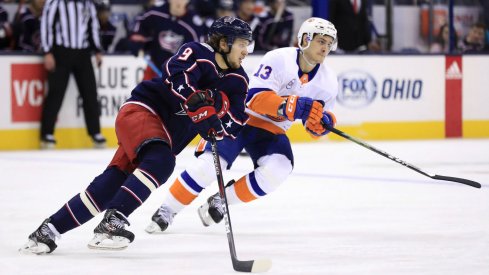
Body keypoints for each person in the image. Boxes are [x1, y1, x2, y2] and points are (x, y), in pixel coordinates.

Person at [19, 16, 253, 254]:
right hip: (143, 111)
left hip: (163, 138)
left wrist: (217, 119)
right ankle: (112, 223)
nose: (246, 51)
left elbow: (235, 122)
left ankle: (47, 231)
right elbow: (175, 75)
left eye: (248, 45)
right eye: (242, 44)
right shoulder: (196, 52)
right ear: (224, 43)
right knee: (162, 162)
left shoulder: (239, 80)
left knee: (110, 185)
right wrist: (196, 102)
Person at [145, 17, 338, 234]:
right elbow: (253, 98)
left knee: (280, 168)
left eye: (330, 44)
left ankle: (222, 200)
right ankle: (167, 210)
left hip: (272, 130)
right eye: (321, 41)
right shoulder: (280, 58)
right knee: (210, 165)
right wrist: (286, 106)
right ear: (305, 39)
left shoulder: (329, 81)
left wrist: (321, 124)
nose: (325, 48)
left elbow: (313, 125)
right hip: (240, 118)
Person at [39, 0, 106, 149]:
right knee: (56, 93)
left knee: (90, 93)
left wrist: (97, 50)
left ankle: (95, 132)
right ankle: (46, 133)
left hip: (82, 52)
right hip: (60, 51)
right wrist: (47, 51)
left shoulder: (88, 4)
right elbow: (46, 25)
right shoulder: (55, 2)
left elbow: (93, 26)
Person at [130, 0, 205, 80]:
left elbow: (199, 53)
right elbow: (140, 22)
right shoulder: (156, 12)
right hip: (154, 67)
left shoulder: (194, 25)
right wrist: (137, 42)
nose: (179, 2)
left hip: (178, 75)